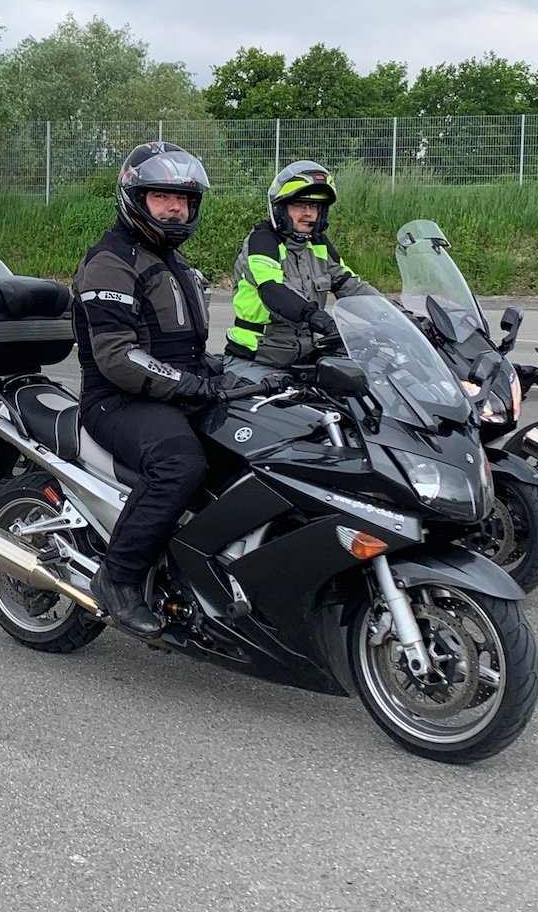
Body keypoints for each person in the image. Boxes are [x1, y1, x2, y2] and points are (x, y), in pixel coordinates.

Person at [72, 141, 238, 638]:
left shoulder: (173, 262)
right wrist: (190, 385)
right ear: (135, 197)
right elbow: (117, 357)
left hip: (169, 393)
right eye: (162, 197)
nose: (175, 209)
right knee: (179, 464)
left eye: (183, 199)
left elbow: (186, 349)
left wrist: (237, 375)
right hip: (117, 400)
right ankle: (118, 578)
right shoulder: (110, 262)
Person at [225, 160, 379, 379]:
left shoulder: (318, 244)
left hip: (306, 358)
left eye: (314, 207)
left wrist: (397, 316)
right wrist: (318, 317)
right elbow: (272, 290)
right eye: (300, 205)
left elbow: (351, 285)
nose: (309, 213)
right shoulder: (262, 240)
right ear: (281, 208)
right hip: (257, 360)